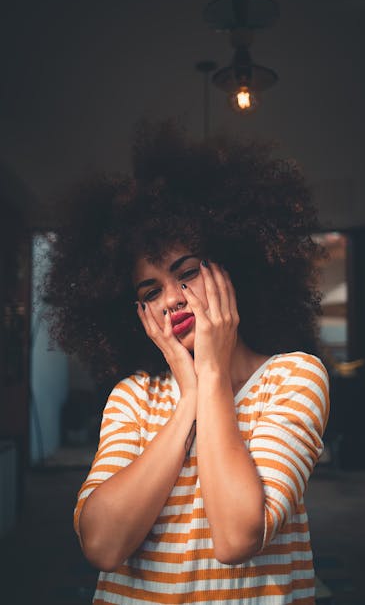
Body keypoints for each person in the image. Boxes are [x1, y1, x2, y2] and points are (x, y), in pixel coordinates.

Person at [45, 122, 330, 604]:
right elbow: (101, 544)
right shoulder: (133, 396)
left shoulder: (293, 377)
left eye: (187, 273)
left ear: (234, 267)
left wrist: (213, 374)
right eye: (150, 291)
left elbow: (236, 537)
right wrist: (189, 401)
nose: (172, 300)